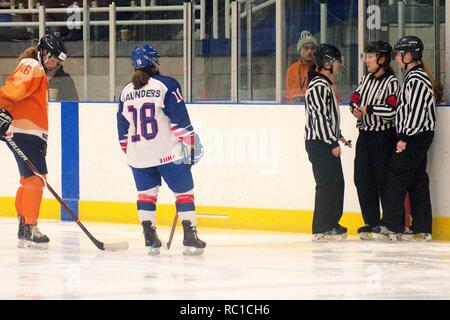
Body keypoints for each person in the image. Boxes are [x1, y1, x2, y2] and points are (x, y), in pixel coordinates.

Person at [117, 44, 206, 256]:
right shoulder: (167, 85)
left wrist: (133, 152)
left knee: (146, 194)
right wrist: (192, 144)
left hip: (138, 155)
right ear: (154, 62)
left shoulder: (126, 91)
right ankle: (189, 235)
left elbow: (122, 132)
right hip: (168, 153)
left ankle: (149, 236)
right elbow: (179, 121)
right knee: (184, 192)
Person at [0, 33, 67, 249]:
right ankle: (30, 227)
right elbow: (13, 90)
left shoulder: (36, 67)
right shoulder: (32, 65)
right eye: (53, 59)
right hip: (25, 132)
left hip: (27, 132)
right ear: (44, 52)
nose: (53, 64)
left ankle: (24, 227)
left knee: (28, 179)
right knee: (35, 180)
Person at [374, 36, 436, 242]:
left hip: (415, 136)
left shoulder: (417, 79)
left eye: (399, 54)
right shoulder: (413, 77)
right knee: (417, 180)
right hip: (417, 136)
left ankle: (393, 226)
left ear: (409, 55)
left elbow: (416, 112)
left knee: (395, 178)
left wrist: (405, 137)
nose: (397, 59)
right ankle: (421, 227)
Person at [350, 41, 399, 240]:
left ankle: (387, 223)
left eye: (371, 56)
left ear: (382, 59)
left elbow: (392, 111)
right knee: (362, 179)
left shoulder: (392, 83)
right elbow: (355, 96)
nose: (367, 60)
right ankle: (371, 222)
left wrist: (368, 109)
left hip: (383, 138)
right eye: (367, 56)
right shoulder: (366, 78)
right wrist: (354, 108)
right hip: (365, 137)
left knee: (383, 181)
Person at [304, 44, 351, 241]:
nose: (340, 65)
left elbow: (328, 116)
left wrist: (337, 135)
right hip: (320, 142)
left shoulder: (324, 84)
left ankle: (330, 223)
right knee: (326, 184)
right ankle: (321, 227)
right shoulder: (318, 86)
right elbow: (320, 118)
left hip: (324, 140)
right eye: (337, 61)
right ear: (327, 64)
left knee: (335, 183)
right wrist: (332, 142)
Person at [285, 30, 317, 103]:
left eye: (312, 48)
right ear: (299, 50)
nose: (309, 51)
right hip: (294, 109)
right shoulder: (292, 69)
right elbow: (288, 95)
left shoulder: (321, 69)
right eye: (306, 48)